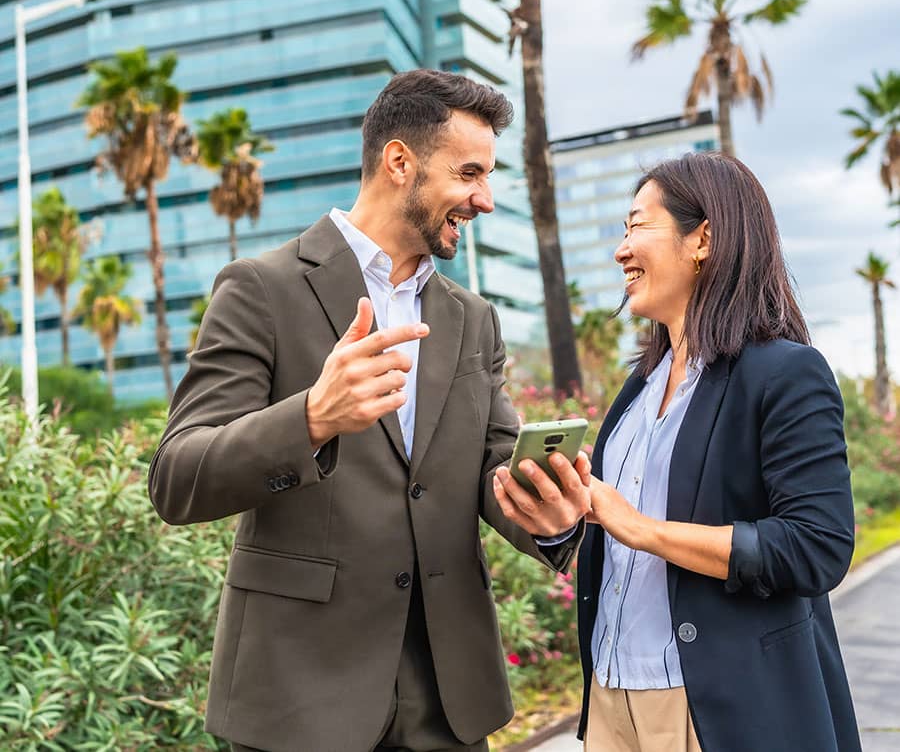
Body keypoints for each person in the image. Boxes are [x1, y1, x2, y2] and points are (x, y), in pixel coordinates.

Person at [148, 69, 590, 752]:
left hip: (447, 700)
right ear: (398, 162)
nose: (486, 199)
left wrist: (553, 520)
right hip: (299, 700)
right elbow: (177, 478)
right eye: (469, 173)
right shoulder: (261, 290)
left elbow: (493, 471)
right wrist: (312, 418)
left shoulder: (473, 320)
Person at [520, 153, 858, 751]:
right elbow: (614, 538)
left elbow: (816, 546)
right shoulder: (636, 389)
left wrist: (645, 529)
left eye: (637, 226)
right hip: (610, 698)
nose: (622, 250)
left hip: (715, 707)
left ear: (703, 238)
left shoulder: (784, 372)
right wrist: (560, 525)